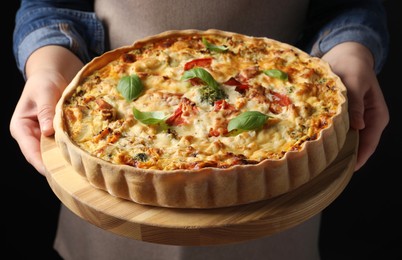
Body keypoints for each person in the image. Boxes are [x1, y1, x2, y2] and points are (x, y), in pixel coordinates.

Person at [10, 0, 389, 259]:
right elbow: (50, 5)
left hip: (276, 199)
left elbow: (349, 4)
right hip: (111, 160)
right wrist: (47, 64)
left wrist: (351, 48)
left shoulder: (309, 111)